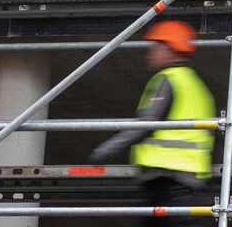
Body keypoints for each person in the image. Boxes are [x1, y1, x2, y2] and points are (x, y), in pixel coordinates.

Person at [90, 20, 216, 227]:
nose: (149, 53)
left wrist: (106, 148)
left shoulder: (168, 78)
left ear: (170, 49)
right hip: (185, 176)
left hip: (169, 175)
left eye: (155, 47)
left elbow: (146, 122)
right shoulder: (195, 84)